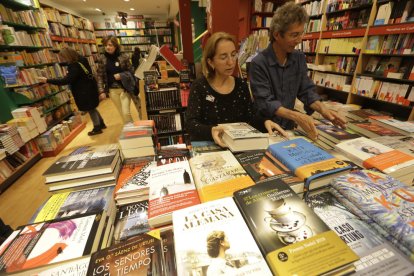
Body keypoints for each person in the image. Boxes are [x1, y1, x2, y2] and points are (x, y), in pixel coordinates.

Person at [250, 2, 346, 141]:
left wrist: (323, 109)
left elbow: (306, 91)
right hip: (265, 128)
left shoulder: (298, 58)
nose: (299, 40)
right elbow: (265, 103)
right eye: (294, 35)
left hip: (288, 129)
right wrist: (297, 116)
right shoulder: (259, 63)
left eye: (301, 34)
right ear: (277, 34)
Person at [185, 32, 288, 147]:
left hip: (238, 147)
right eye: (223, 57)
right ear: (210, 62)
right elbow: (191, 124)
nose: (231, 62)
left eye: (233, 55)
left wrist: (265, 122)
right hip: (211, 147)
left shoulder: (241, 85)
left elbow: (250, 117)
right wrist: (211, 131)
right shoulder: (199, 86)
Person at [38, 47, 106, 136]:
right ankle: (101, 124)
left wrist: (47, 80)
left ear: (68, 56)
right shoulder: (82, 59)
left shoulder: (74, 65)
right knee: (92, 107)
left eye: (64, 57)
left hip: (83, 91)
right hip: (90, 88)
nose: (63, 60)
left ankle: (97, 128)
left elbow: (65, 81)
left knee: (90, 109)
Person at [96, 36, 140, 124]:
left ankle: (132, 130)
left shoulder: (124, 57)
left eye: (110, 45)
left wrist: (122, 75)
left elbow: (131, 72)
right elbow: (99, 76)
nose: (107, 47)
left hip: (125, 89)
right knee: (122, 114)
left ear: (116, 46)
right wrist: (101, 91)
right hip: (112, 91)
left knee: (125, 112)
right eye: (105, 45)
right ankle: (130, 131)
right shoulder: (102, 58)